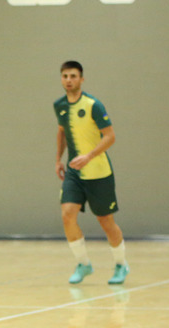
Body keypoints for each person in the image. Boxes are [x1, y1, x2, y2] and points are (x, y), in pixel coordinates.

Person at [54, 60, 129, 285]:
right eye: (65, 76)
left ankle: (121, 264)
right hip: (74, 172)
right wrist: (58, 159)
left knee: (106, 221)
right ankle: (83, 264)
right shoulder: (60, 105)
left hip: (98, 172)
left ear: (81, 79)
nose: (69, 80)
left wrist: (89, 156)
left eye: (73, 76)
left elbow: (110, 136)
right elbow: (61, 132)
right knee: (67, 215)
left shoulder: (93, 105)